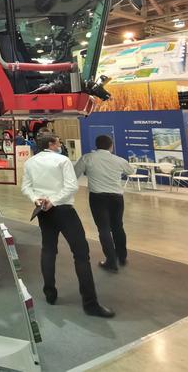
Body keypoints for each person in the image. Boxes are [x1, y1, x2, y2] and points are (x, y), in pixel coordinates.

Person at [21, 133, 115, 318]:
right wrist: (54, 201)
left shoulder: (30, 162)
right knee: (81, 254)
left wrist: (37, 199)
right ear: (51, 144)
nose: (60, 144)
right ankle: (90, 304)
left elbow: (26, 187)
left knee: (48, 250)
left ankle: (50, 293)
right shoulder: (62, 160)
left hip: (43, 211)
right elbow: (72, 186)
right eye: (58, 142)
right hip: (64, 210)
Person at [74, 135, 134, 271]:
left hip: (98, 198)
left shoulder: (87, 158)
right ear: (111, 146)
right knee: (118, 226)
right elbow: (130, 171)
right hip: (117, 198)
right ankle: (122, 257)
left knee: (104, 228)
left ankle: (111, 261)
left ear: (96, 145)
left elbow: (75, 174)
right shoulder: (119, 160)